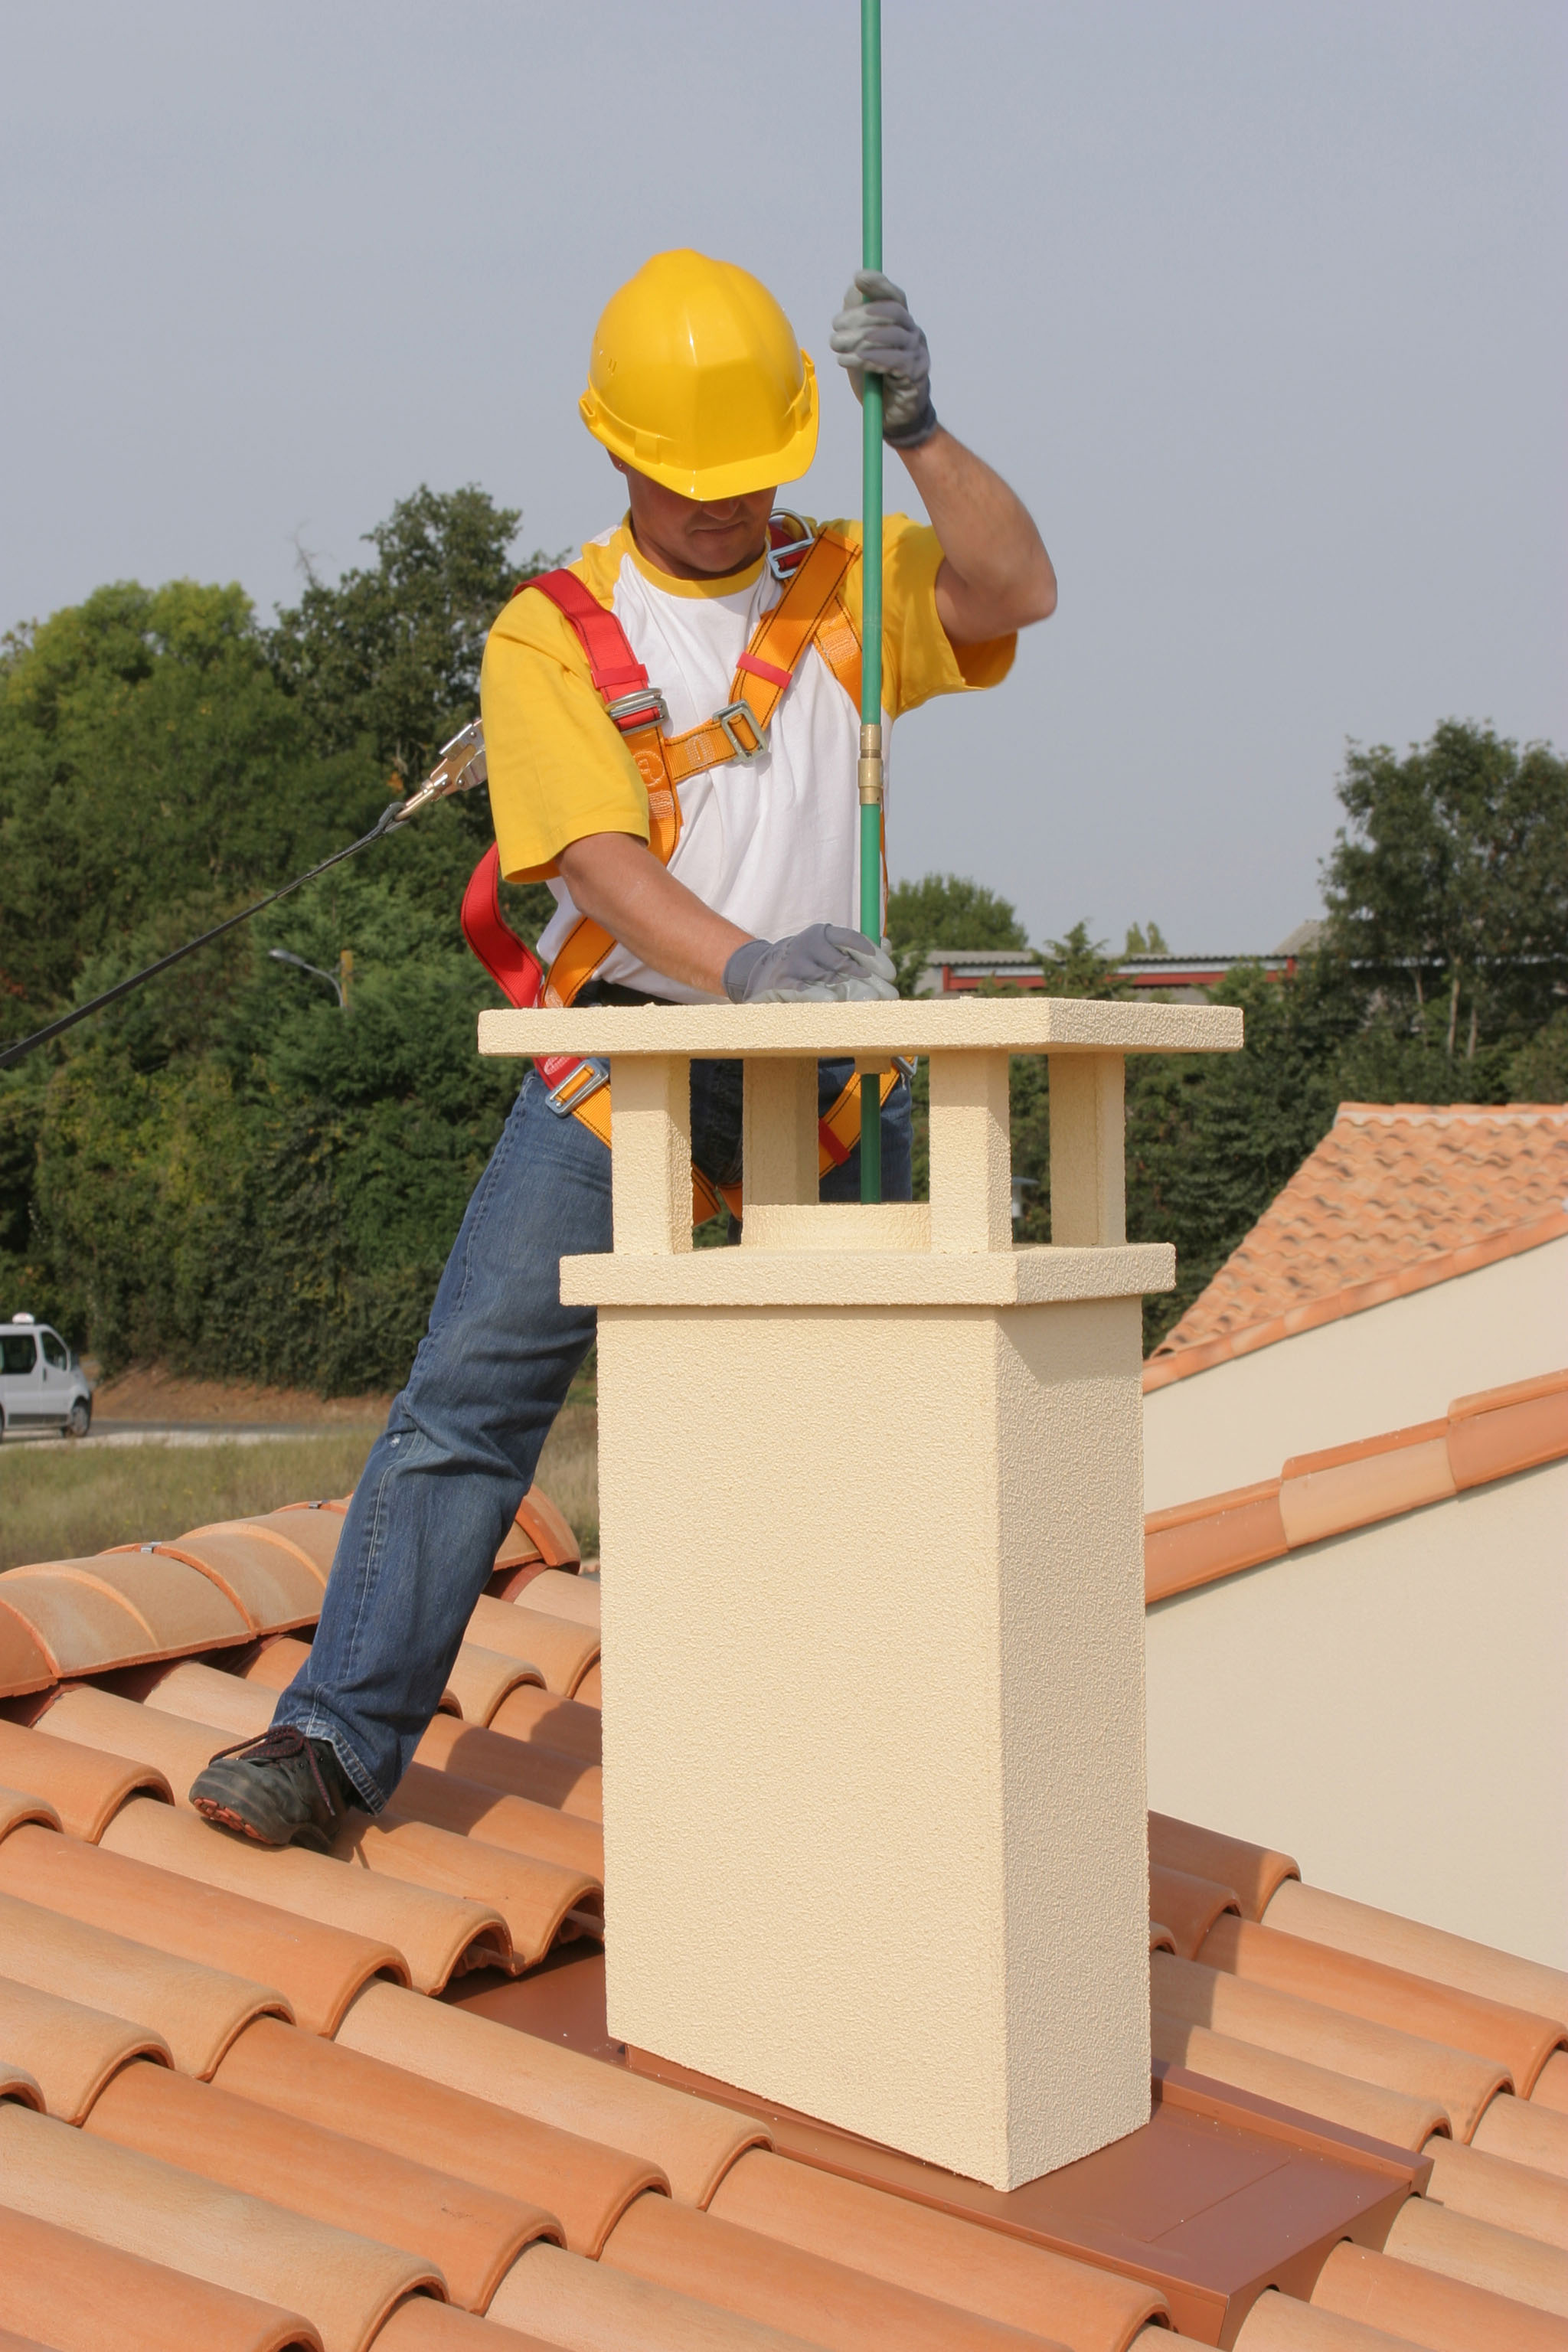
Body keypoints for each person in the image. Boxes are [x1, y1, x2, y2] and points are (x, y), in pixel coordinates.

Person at [191, 250, 1056, 1847]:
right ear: (618, 452)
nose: (723, 507)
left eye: (751, 478)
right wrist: (749, 967)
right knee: (469, 1402)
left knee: (863, 1415)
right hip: (625, 1067)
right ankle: (333, 1744)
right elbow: (593, 857)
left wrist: (922, 428)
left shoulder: (840, 584)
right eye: (690, 480)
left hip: (827, 1081)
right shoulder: (550, 636)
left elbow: (1013, 593)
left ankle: (865, 1760)